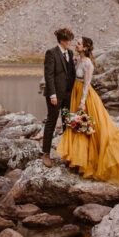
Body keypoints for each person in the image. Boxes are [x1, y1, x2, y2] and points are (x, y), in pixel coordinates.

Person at [57, 35, 119, 186]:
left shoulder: (88, 63)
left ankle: (90, 162)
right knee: (79, 127)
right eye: (76, 43)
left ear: (84, 47)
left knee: (89, 128)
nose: (76, 45)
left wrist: (82, 102)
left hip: (85, 97)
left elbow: (87, 85)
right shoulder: (78, 60)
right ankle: (78, 160)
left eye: (78, 44)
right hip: (75, 95)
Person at [41, 27, 76, 167]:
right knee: (51, 123)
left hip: (68, 95)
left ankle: (67, 154)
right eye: (69, 40)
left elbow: (71, 74)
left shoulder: (70, 53)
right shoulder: (51, 53)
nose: (70, 43)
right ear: (62, 40)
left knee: (67, 122)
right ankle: (46, 154)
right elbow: (48, 75)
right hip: (55, 96)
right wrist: (52, 94)